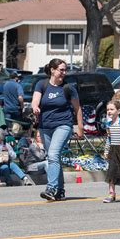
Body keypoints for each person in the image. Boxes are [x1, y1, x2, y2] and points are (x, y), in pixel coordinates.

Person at [32, 58, 83, 201]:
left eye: (65, 70)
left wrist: (80, 128)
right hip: (45, 126)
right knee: (54, 158)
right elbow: (35, 100)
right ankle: (60, 191)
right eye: (61, 70)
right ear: (53, 70)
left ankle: (51, 187)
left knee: (53, 155)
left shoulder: (68, 88)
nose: (63, 73)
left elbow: (78, 108)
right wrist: (35, 107)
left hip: (63, 125)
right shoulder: (42, 85)